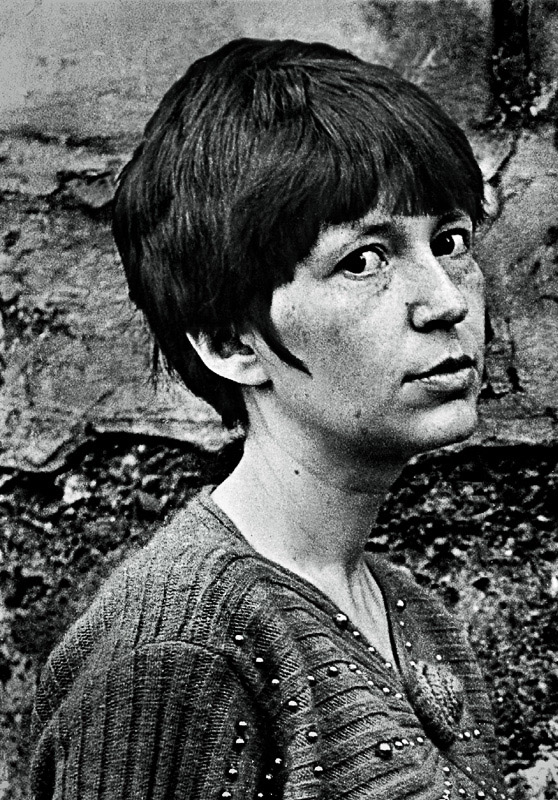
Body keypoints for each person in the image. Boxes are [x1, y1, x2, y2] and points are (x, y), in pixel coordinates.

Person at [30, 38, 508, 800]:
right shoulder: (181, 650)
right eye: (363, 260)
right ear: (230, 342)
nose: (446, 300)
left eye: (449, 243)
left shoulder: (415, 615)